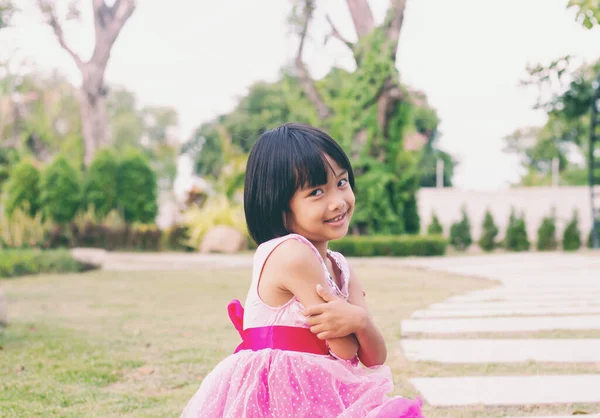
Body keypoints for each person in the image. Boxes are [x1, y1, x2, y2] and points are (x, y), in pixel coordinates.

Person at [180, 123, 424, 418]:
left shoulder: (340, 265)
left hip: (319, 388)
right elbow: (346, 350)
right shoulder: (292, 253)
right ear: (279, 204)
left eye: (342, 182)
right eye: (317, 191)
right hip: (279, 394)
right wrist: (357, 324)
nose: (338, 201)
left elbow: (374, 357)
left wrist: (359, 319)